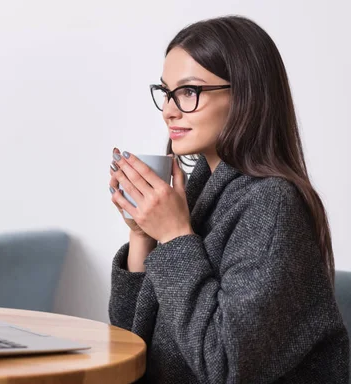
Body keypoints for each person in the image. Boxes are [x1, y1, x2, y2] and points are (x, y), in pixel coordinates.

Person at [108, 15, 349, 383]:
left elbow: (228, 366)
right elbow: (131, 348)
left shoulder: (273, 205)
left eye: (189, 92)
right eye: (167, 92)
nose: (170, 109)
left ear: (246, 96)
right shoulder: (200, 194)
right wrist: (144, 234)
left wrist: (174, 236)